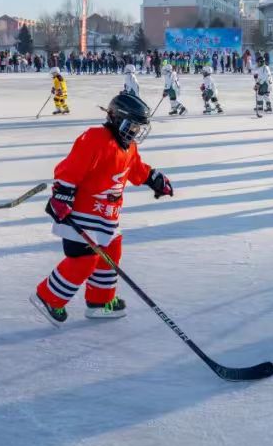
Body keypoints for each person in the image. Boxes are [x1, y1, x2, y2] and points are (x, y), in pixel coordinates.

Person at [31, 92, 173, 325]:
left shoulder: (128, 147)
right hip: (82, 214)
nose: (135, 131)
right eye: (132, 125)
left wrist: (153, 179)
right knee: (84, 260)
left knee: (111, 253)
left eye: (138, 127)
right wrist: (62, 195)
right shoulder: (96, 139)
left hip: (106, 216)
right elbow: (71, 168)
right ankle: (49, 297)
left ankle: (99, 302)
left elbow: (136, 169)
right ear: (117, 119)